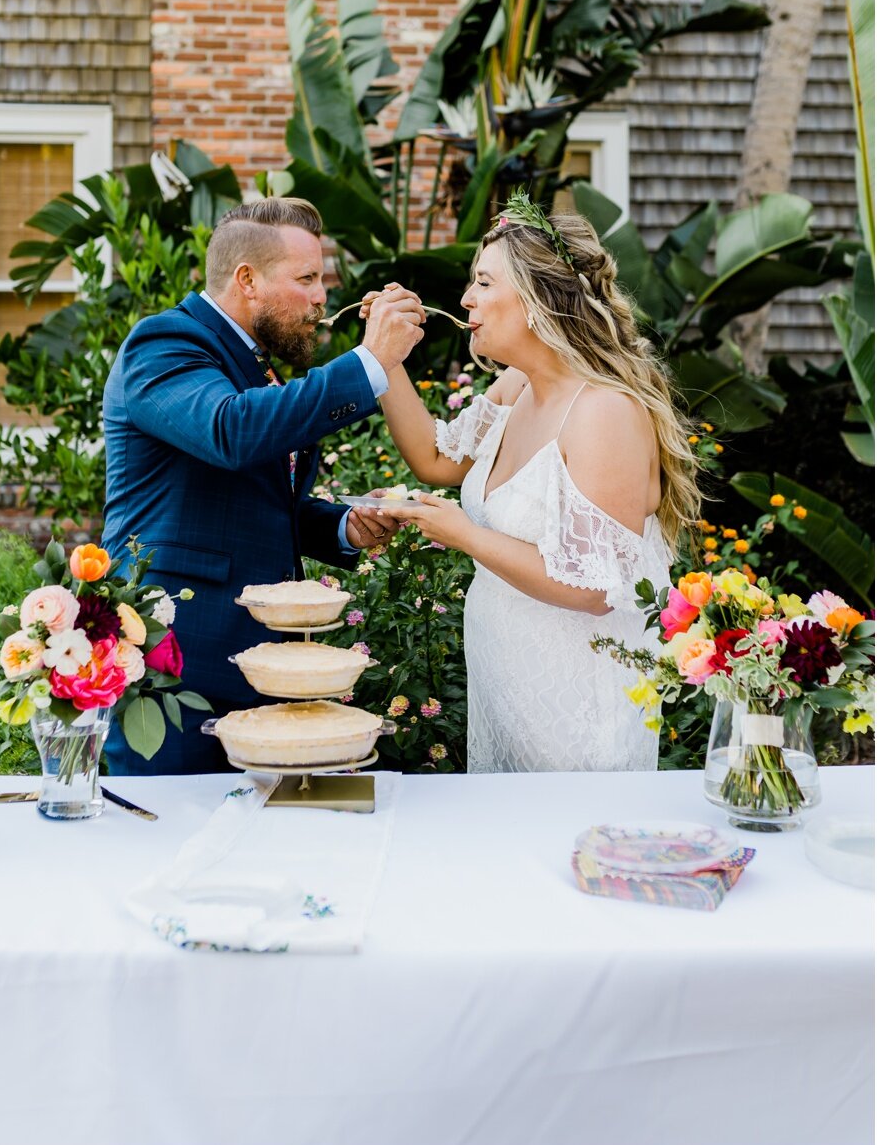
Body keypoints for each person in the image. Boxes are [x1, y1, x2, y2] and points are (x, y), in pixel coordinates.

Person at [366, 193, 690, 773]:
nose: (466, 298)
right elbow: (437, 458)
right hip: (509, 685)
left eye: (484, 283)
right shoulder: (518, 386)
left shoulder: (603, 412)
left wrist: (463, 534)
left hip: (575, 698)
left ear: (539, 300)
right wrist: (383, 358)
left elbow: (596, 588)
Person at [100, 197, 424, 775]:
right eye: (307, 278)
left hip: (259, 666)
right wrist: (371, 362)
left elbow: (264, 503)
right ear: (246, 280)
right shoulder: (162, 345)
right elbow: (231, 431)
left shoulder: (255, 363)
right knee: (159, 839)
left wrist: (343, 527)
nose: (323, 297)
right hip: (177, 665)